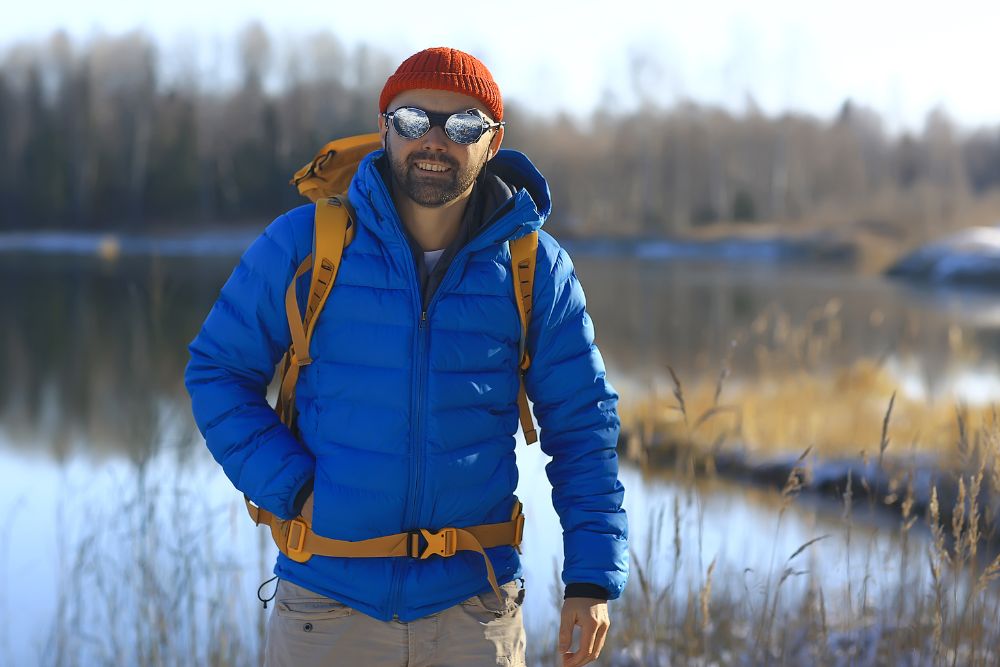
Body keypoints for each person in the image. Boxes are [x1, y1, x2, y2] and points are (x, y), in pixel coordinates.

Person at [185, 46, 628, 667]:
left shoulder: (535, 267)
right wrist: (297, 490)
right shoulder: (306, 244)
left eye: (464, 125)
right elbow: (216, 373)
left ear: (494, 140)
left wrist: (590, 578)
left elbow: (583, 426)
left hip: (475, 613)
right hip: (328, 610)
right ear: (386, 126)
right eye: (415, 120)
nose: (436, 140)